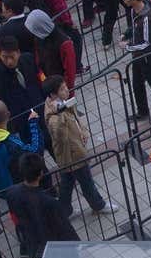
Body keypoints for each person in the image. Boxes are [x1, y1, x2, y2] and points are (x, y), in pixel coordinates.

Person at [7, 152, 96, 258]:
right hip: (58, 247)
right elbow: (64, 228)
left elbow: (16, 219)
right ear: (41, 173)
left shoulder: (13, 194)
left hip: (36, 246)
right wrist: (75, 244)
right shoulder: (49, 203)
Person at [43, 74, 118, 215]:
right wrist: (59, 113)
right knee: (86, 181)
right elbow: (58, 133)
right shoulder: (52, 114)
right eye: (63, 89)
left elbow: (76, 119)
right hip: (72, 154)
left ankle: (64, 210)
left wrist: (83, 132)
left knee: (67, 182)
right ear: (53, 94)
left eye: (66, 87)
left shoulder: (64, 103)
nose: (67, 90)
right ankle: (98, 205)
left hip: (73, 151)